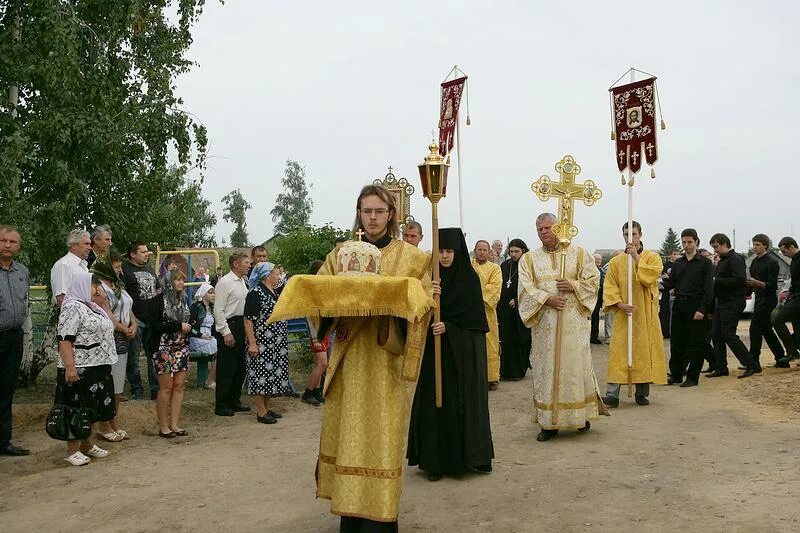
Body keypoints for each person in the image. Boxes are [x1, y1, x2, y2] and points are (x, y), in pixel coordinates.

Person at [315, 184, 431, 532]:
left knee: (382, 441)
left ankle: (381, 519)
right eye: (367, 211)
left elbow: (422, 305)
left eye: (380, 211)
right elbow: (320, 294)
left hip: (386, 363)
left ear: (391, 214)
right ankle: (350, 517)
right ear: (359, 213)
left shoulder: (412, 258)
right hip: (350, 361)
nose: (373, 218)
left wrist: (396, 306)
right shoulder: (340, 255)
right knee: (349, 438)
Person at [408, 228, 493, 481]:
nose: (444, 257)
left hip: (460, 360)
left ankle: (466, 459)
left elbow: (476, 325)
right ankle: (435, 462)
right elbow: (415, 310)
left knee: (459, 404)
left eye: (449, 251)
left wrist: (451, 327)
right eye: (440, 251)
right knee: (435, 405)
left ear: (457, 252)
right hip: (435, 356)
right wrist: (429, 296)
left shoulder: (469, 280)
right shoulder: (428, 279)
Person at [517, 213, 605, 442]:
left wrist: (573, 284)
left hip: (573, 326)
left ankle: (580, 416)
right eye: (540, 229)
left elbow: (593, 281)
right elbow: (524, 289)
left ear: (558, 228)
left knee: (575, 368)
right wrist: (547, 299)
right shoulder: (529, 259)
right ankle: (549, 423)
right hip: (545, 327)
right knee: (547, 370)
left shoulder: (580, 253)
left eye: (548, 227)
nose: (543, 232)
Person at [601, 221, 667, 407]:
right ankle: (612, 394)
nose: (630, 237)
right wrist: (618, 303)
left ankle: (642, 392)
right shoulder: (615, 262)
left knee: (642, 351)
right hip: (624, 313)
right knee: (619, 351)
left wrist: (636, 257)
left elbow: (650, 278)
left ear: (640, 234)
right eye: (626, 234)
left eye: (634, 233)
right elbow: (610, 285)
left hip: (644, 312)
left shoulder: (652, 257)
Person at [55, 273, 117, 466]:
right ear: (82, 286)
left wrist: (104, 303)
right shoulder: (72, 307)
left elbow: (111, 326)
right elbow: (65, 339)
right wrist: (70, 367)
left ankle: (88, 444)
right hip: (80, 366)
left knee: (94, 407)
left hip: (98, 365)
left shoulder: (94, 307)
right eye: (94, 287)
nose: (97, 290)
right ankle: (72, 450)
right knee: (76, 407)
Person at [90, 251, 136, 442]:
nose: (119, 270)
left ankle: (112, 420)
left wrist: (133, 324)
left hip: (124, 339)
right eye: (116, 267)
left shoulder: (118, 286)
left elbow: (128, 307)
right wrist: (123, 329)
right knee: (107, 382)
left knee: (118, 383)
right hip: (108, 339)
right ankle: (102, 424)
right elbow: (105, 313)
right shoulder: (97, 288)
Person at [662, 229, 714, 387]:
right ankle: (676, 374)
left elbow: (708, 289)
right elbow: (672, 284)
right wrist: (657, 282)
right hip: (679, 305)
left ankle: (692, 377)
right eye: (684, 242)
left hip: (696, 306)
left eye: (689, 242)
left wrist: (702, 309)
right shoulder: (679, 263)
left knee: (696, 343)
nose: (686, 245)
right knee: (677, 342)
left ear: (697, 242)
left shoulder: (705, 263)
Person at [243, 262, 291, 424]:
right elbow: (248, 320)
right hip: (262, 343)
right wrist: (252, 343)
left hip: (275, 344)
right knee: (260, 376)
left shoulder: (273, 291)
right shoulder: (254, 293)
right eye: (277, 273)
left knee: (271, 376)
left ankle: (267, 407)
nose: (279, 276)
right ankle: (261, 411)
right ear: (267, 275)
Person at [707, 233, 759, 378]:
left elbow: (739, 280)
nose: (715, 250)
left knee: (729, 335)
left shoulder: (735, 259)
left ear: (724, 243)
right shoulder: (722, 260)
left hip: (733, 301)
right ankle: (721, 367)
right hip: (721, 301)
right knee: (716, 335)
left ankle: (751, 364)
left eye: (716, 246)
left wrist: (717, 281)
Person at [149, 270, 192, 437]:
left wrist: (189, 326)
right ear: (168, 281)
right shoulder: (158, 301)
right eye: (177, 279)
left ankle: (175, 424)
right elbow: (154, 325)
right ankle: (164, 426)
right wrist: (177, 326)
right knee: (166, 387)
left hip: (181, 346)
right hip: (162, 346)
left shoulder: (185, 299)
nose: (181, 282)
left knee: (179, 386)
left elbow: (187, 320)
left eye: (182, 279)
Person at [0, 226, 30, 456]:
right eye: (3, 240)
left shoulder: (22, 271)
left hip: (14, 337)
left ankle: (4, 442)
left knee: (7, 390)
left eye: (12, 242)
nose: (7, 245)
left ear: (18, 246)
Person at [213, 252, 251, 416]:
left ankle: (234, 400)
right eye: (246, 263)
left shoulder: (243, 281)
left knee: (239, 367)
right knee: (227, 367)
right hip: (230, 324)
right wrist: (225, 332)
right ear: (235, 264)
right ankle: (221, 404)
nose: (249, 265)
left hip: (242, 324)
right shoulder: (225, 282)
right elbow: (218, 309)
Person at [121, 241, 161, 400]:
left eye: (147, 252)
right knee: (133, 357)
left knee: (154, 356)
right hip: (135, 320)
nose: (147, 254)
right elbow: (122, 296)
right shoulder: (125, 270)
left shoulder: (150, 269)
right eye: (143, 252)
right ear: (132, 254)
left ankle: (155, 390)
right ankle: (136, 389)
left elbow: (158, 291)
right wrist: (130, 319)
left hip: (153, 321)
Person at [746, 234, 787, 368]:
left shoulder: (771, 261)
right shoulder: (754, 262)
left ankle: (753, 360)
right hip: (758, 297)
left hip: (768, 299)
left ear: (765, 245)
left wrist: (756, 282)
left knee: (755, 328)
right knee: (766, 330)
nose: (755, 247)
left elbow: (772, 285)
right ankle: (781, 358)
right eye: (754, 244)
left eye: (758, 244)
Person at [498, 238, 532, 381]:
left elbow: (532, 288)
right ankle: (506, 371)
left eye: (516, 251)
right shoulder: (505, 265)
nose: (513, 254)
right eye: (511, 251)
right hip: (505, 309)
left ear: (523, 251)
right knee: (506, 339)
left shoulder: (529, 266)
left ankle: (519, 370)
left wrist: (518, 300)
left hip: (521, 310)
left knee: (520, 340)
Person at [472, 240, 502, 390]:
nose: (482, 252)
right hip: (469, 311)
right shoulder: (468, 266)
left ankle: (491, 378)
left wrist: (474, 294)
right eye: (479, 249)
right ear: (475, 250)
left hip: (487, 312)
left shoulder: (495, 269)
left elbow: (494, 288)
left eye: (485, 250)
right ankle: (474, 376)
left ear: (489, 252)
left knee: (490, 344)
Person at [301, 260, 328, 407]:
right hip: (316, 332)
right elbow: (311, 317)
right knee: (322, 363)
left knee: (320, 363)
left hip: (324, 330)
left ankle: (317, 391)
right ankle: (308, 392)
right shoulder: (311, 291)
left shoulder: (321, 288)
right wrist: (315, 337)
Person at [772, 237, 800, 361]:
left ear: (792, 247)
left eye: (784, 251)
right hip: (795, 295)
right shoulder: (794, 260)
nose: (784, 255)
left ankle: (792, 352)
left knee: (777, 319)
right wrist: (789, 292)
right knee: (798, 328)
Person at [51, 229, 91, 307]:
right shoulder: (63, 265)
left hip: (85, 315)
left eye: (90, 244)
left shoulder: (83, 266)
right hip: (72, 316)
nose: (90, 248)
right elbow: (61, 298)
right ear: (73, 246)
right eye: (86, 244)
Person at [189, 282, 218, 389]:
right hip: (196, 338)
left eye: (214, 293)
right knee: (219, 352)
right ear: (204, 294)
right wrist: (201, 335)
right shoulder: (195, 307)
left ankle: (212, 378)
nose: (213, 295)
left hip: (209, 338)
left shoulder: (212, 308)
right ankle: (210, 380)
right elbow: (189, 327)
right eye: (210, 293)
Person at [659, 249, 681, 339]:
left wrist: (670, 277)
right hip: (666, 292)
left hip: (676, 291)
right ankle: (665, 332)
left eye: (678, 254)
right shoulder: (665, 265)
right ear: (670, 255)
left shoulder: (679, 264)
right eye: (675, 254)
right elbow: (663, 277)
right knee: (665, 312)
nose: (676, 256)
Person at [590, 253, 605, 344]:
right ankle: (591, 337)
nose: (598, 261)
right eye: (597, 259)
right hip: (591, 296)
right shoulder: (590, 270)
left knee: (596, 317)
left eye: (599, 259)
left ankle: (594, 337)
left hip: (599, 297)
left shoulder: (602, 270)